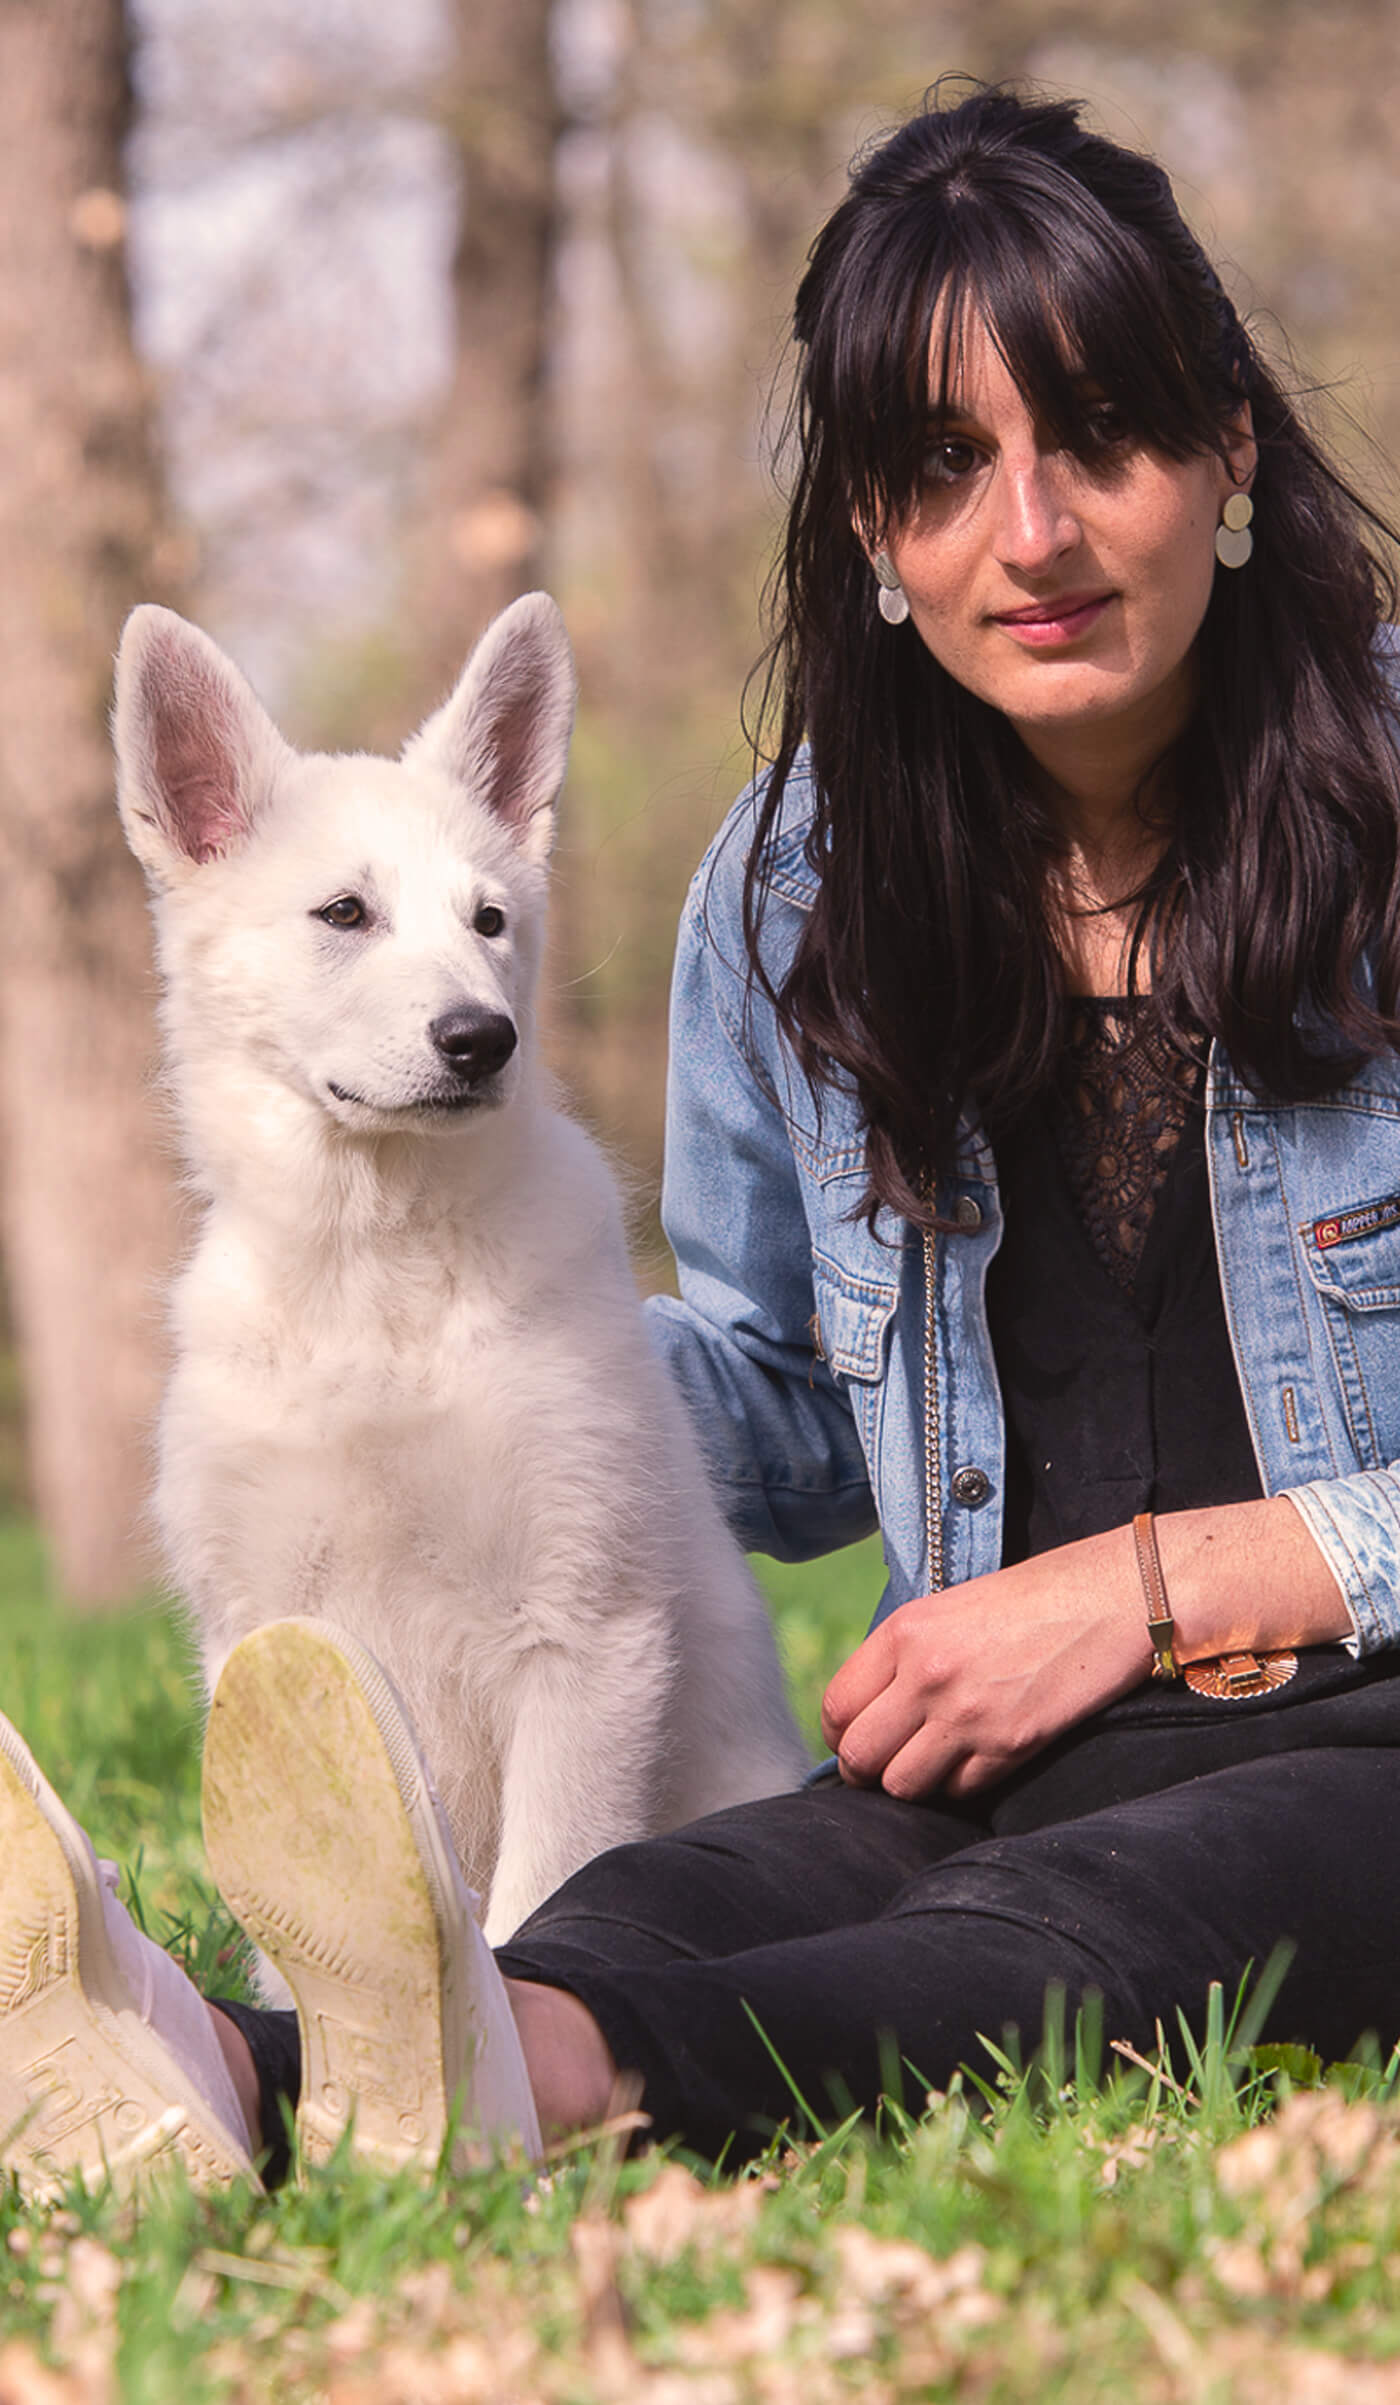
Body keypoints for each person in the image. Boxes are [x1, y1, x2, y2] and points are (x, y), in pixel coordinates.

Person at [5, 79, 1400, 2196]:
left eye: (1094, 435)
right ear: (864, 527)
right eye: (942, 466)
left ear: (1225, 447)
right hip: (990, 1748)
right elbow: (762, 1406)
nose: (1026, 533)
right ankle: (214, 2051)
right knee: (686, 1894)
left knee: (1074, 1923)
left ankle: (475, 2085)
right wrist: (417, 1358)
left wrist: (1140, 1589)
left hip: (1355, 1734)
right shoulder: (795, 884)